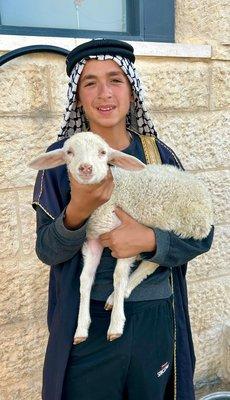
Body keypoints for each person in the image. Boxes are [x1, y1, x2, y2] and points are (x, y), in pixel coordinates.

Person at [32, 38, 214, 400]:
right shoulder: (62, 163)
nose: (104, 93)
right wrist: (79, 210)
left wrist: (150, 241)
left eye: (115, 80)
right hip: (89, 325)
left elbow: (200, 234)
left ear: (131, 90)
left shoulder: (157, 155)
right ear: (78, 97)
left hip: (153, 317)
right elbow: (48, 251)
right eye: (90, 82)